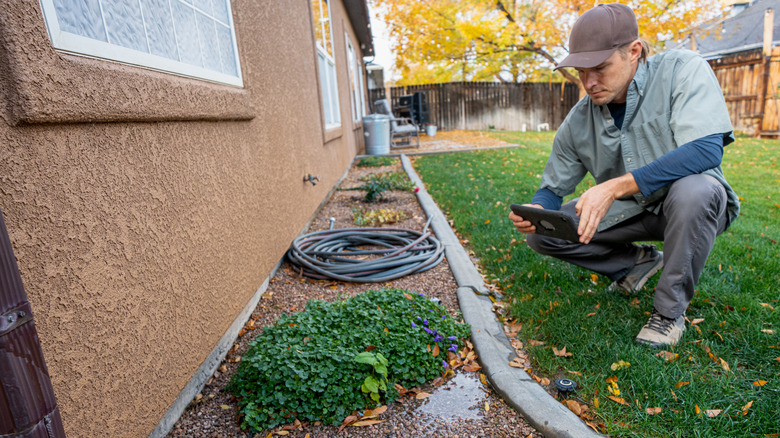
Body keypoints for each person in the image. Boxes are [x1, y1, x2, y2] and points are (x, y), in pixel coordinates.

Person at [508, 3, 739, 348]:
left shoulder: (682, 69)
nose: (589, 82)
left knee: (695, 190)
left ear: (633, 52)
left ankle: (668, 314)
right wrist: (538, 210)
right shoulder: (579, 119)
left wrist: (617, 186)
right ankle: (636, 264)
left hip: (693, 207)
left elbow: (706, 149)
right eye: (582, 71)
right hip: (633, 212)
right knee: (544, 235)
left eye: (600, 68)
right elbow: (552, 189)